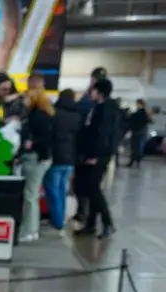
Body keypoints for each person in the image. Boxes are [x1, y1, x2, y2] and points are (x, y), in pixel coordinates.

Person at [75, 78, 122, 239]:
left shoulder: (106, 110)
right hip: (95, 153)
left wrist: (96, 155)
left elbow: (103, 134)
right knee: (91, 189)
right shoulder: (100, 107)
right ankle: (91, 224)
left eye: (93, 90)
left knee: (94, 189)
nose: (91, 92)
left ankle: (108, 223)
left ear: (100, 92)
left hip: (99, 155)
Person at [18, 88, 54, 242]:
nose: (24, 101)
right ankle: (31, 229)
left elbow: (43, 138)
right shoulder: (46, 114)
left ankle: (30, 230)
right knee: (32, 195)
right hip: (42, 158)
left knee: (30, 196)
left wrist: (30, 144)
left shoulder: (37, 116)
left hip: (35, 158)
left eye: (27, 97)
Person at [73, 67, 108, 224]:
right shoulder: (94, 103)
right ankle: (89, 218)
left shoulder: (96, 106)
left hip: (91, 153)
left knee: (89, 187)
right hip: (88, 151)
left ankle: (98, 219)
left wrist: (96, 154)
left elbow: (101, 134)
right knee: (86, 186)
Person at [44, 89, 81, 231]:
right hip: (70, 158)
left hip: (56, 157)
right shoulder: (77, 116)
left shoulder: (54, 114)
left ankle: (57, 221)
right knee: (62, 190)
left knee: (52, 190)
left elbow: (50, 135)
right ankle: (61, 219)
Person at [126, 99, 151, 168]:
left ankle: (133, 161)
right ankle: (137, 162)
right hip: (142, 132)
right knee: (138, 148)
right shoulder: (145, 112)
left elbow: (133, 121)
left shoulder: (139, 113)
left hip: (137, 132)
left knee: (135, 147)